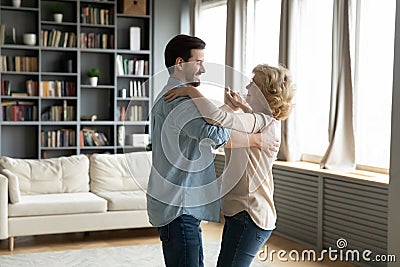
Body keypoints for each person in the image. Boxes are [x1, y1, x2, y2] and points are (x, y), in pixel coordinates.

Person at [146, 35, 276, 267]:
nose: (204, 69)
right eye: (198, 62)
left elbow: (203, 128)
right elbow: (215, 136)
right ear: (180, 63)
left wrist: (228, 108)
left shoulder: (169, 96)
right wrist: (257, 140)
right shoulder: (179, 101)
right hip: (180, 207)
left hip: (174, 204)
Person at [163, 63, 295, 267]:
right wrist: (241, 106)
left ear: (265, 93)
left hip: (250, 214)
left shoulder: (260, 121)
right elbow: (220, 131)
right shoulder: (261, 120)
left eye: (254, 84)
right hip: (244, 214)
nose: (248, 87)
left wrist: (191, 91)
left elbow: (216, 121)